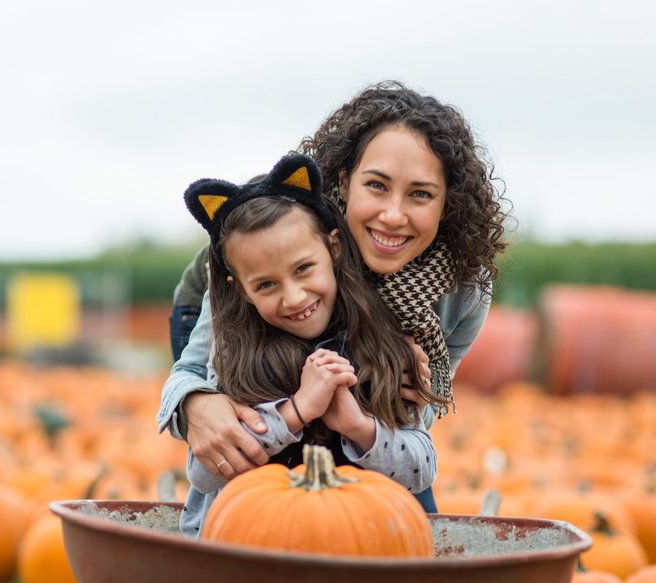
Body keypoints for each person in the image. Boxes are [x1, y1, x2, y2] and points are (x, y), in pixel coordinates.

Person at [159, 80, 509, 513]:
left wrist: (416, 393)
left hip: (351, 365)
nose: (393, 215)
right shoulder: (286, 251)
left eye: (420, 194)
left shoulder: (463, 291)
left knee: (408, 507)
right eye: (377, 186)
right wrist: (196, 406)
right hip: (229, 310)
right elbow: (191, 372)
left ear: (446, 204)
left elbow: (417, 421)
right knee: (236, 430)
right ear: (344, 182)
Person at [177, 153, 437, 536]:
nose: (294, 297)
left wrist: (359, 427)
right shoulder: (233, 354)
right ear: (242, 291)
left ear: (333, 248)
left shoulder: (380, 346)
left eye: (303, 269)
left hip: (353, 540)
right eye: (266, 284)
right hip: (245, 544)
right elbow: (204, 472)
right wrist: (294, 413)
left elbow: (421, 467)